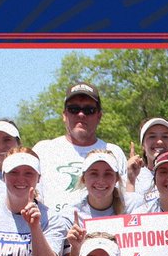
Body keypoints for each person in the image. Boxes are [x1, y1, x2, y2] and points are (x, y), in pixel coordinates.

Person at [32, 82, 128, 217]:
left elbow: (124, 200)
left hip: (104, 232)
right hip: (54, 232)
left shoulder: (114, 152)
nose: (81, 115)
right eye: (74, 109)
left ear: (99, 116)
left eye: (89, 110)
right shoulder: (43, 150)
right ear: (64, 115)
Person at [59, 149, 141, 256]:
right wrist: (75, 248)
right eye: (94, 173)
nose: (101, 180)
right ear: (84, 178)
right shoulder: (70, 214)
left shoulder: (135, 205)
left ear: (117, 178)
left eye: (108, 174)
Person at [126, 117, 168, 202]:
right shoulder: (129, 178)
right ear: (143, 145)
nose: (159, 141)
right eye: (152, 136)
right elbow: (125, 212)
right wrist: (131, 179)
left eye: (165, 136)